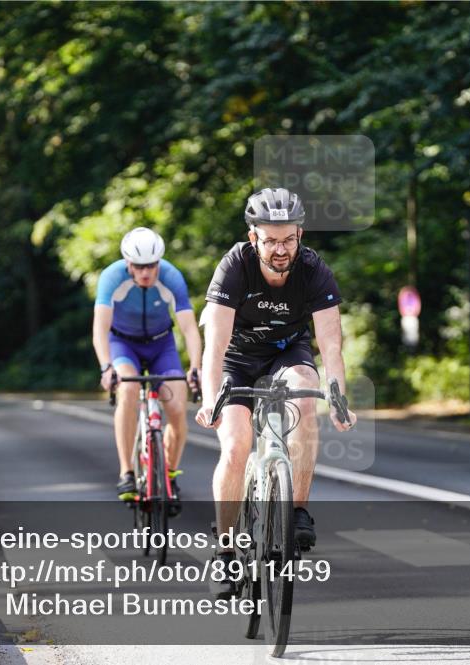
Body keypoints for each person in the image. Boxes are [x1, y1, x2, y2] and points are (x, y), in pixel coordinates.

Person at [196, 187, 356, 598]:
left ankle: (298, 511)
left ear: (300, 234)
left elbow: (331, 345)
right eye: (270, 240)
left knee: (306, 393)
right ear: (254, 238)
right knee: (235, 447)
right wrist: (210, 398)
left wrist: (337, 396)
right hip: (237, 358)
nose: (280, 249)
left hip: (288, 352)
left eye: (288, 239)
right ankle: (226, 551)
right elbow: (214, 345)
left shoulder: (314, 269)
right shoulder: (234, 266)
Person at [92, 227, 201, 514]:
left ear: (159, 262)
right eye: (139, 267)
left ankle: (170, 475)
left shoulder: (171, 277)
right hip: (122, 344)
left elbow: (189, 328)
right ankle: (126, 472)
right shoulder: (112, 277)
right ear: (128, 263)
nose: (145, 273)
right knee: (128, 389)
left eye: (151, 265)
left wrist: (196, 367)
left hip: (160, 345)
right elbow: (100, 329)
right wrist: (106, 367)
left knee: (177, 406)